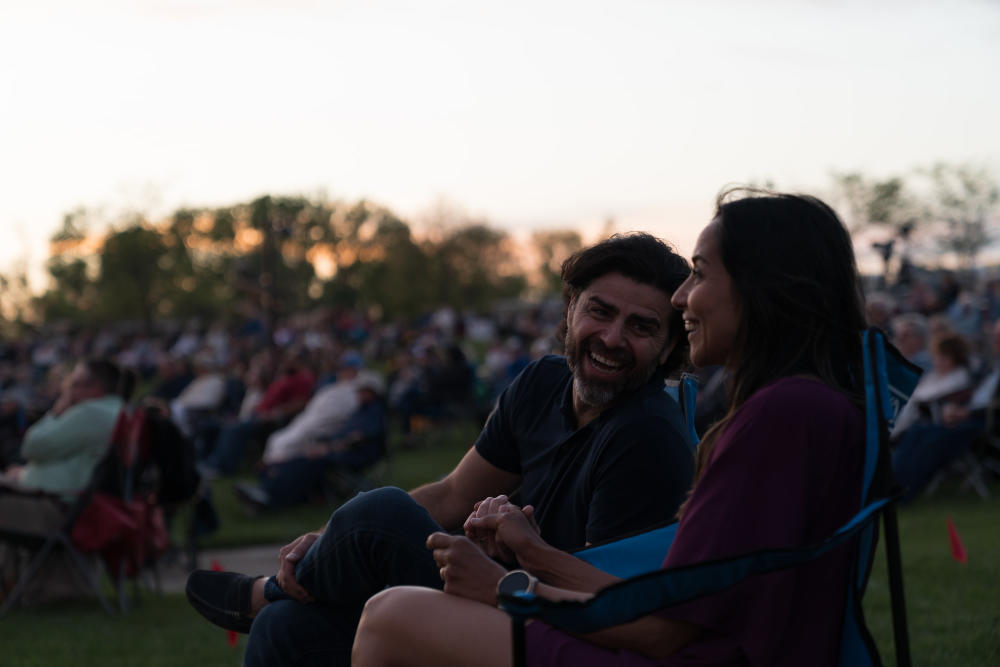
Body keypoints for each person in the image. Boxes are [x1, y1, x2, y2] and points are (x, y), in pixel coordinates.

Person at [351, 188, 870, 667]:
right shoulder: (808, 407)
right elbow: (672, 602)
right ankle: (273, 600)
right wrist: (531, 554)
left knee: (393, 614)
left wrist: (508, 586)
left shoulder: (782, 416)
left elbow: (665, 631)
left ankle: (269, 595)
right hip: (690, 644)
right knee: (342, 601)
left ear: (762, 291)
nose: (682, 296)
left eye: (701, 274)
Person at [186, 232, 697, 666]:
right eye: (599, 312)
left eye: (641, 327)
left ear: (670, 347)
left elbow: (605, 607)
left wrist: (516, 556)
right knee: (286, 626)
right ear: (571, 308)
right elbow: (453, 493)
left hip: (541, 629)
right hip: (500, 587)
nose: (610, 337)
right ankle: (272, 600)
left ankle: (259, 595)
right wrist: (318, 545)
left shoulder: (647, 436)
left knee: (383, 514)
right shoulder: (543, 382)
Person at [0, 358, 129, 603]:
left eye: (72, 383)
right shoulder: (114, 411)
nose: (67, 389)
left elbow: (32, 446)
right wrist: (25, 475)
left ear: (91, 387)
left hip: (56, 510)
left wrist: (57, 410)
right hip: (62, 502)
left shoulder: (91, 412)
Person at [233, 369, 389, 511]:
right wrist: (325, 445)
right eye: (359, 390)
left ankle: (272, 499)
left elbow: (359, 437)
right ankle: (265, 490)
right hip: (339, 450)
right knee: (296, 457)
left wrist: (330, 448)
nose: (359, 394)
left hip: (358, 454)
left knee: (308, 461)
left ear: (373, 392)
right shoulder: (360, 409)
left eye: (364, 391)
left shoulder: (374, 411)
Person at [892, 318, 1000, 502]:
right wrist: (958, 409)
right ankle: (892, 485)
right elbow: (975, 394)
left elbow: (993, 405)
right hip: (966, 415)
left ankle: (904, 492)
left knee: (930, 438)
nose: (995, 342)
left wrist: (967, 413)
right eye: (996, 337)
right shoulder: (990, 366)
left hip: (982, 423)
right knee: (917, 431)